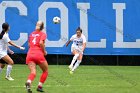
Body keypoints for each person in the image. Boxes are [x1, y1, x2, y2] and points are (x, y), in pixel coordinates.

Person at [25, 21, 48, 93]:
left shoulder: (31, 34)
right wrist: (44, 51)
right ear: (42, 27)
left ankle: (29, 81)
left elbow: (29, 45)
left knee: (33, 72)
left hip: (30, 54)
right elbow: (41, 43)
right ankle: (39, 86)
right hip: (38, 54)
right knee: (45, 71)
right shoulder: (43, 34)